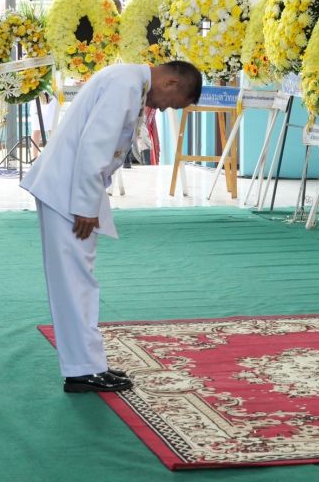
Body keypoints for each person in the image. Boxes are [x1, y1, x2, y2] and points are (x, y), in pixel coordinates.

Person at [21, 60, 202, 392]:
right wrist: (86, 205)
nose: (163, 109)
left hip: (69, 188)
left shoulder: (129, 81)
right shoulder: (126, 84)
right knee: (75, 283)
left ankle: (87, 365)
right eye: (172, 104)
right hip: (69, 192)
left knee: (78, 282)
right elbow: (95, 145)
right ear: (171, 83)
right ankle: (82, 370)